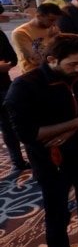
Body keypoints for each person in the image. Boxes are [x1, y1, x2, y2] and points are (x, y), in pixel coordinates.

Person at [4, 34, 78, 247]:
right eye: (73, 64)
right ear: (52, 60)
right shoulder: (25, 86)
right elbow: (27, 134)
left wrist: (74, 125)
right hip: (52, 161)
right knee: (57, 213)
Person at [0, 28, 27, 172]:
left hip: (4, 86)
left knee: (11, 125)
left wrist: (6, 65)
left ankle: (17, 161)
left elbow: (12, 58)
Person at [11, 3, 62, 74]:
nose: (54, 23)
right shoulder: (20, 33)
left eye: (56, 20)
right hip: (34, 72)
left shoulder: (51, 28)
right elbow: (34, 59)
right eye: (51, 20)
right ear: (38, 16)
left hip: (53, 68)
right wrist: (48, 38)